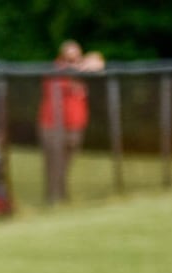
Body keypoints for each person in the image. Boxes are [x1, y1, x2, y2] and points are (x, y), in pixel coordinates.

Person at [40, 39, 103, 204]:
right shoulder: (57, 70)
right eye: (70, 56)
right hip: (53, 124)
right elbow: (68, 76)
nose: (73, 59)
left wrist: (86, 64)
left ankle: (63, 194)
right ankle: (53, 197)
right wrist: (79, 67)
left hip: (75, 125)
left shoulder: (81, 69)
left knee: (67, 162)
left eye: (77, 56)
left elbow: (98, 62)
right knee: (54, 162)